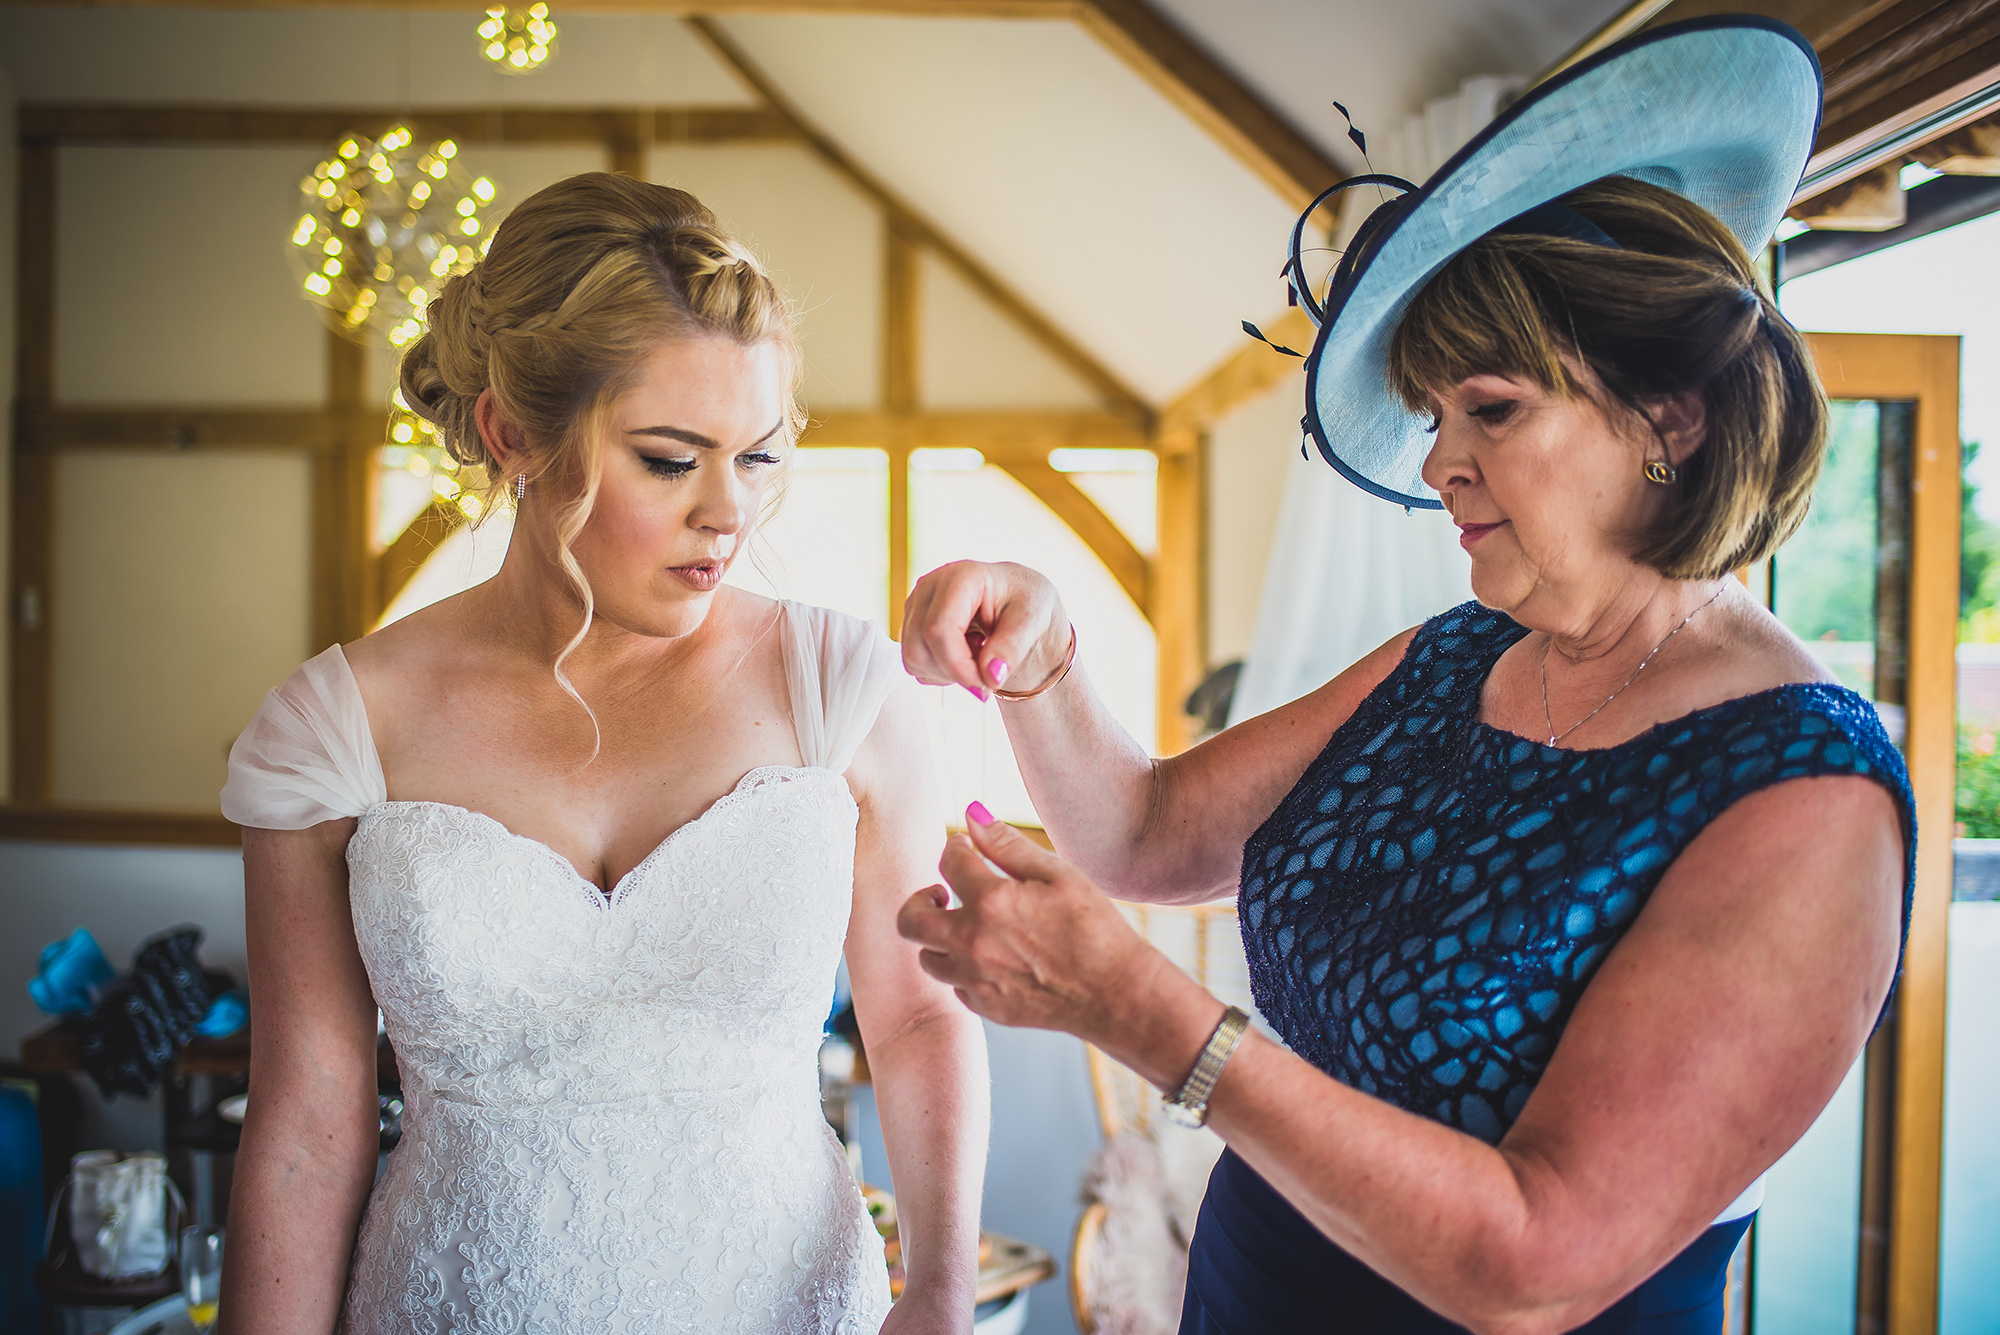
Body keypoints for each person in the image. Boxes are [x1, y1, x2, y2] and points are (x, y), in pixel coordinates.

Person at [896, 19, 1911, 1335]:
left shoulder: (1802, 793)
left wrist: (1145, 1013)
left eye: (1491, 409)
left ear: (1670, 415)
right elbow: (1147, 833)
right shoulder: (1451, 657)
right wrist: (1041, 659)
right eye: (1436, 418)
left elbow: (1535, 1261)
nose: (1439, 463)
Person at [218, 173, 988, 1335]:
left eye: (760, 457)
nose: (729, 514)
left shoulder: (841, 689)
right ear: (512, 434)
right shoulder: (334, 731)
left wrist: (939, 1288)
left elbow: (919, 1018)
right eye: (671, 461)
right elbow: (309, 1117)